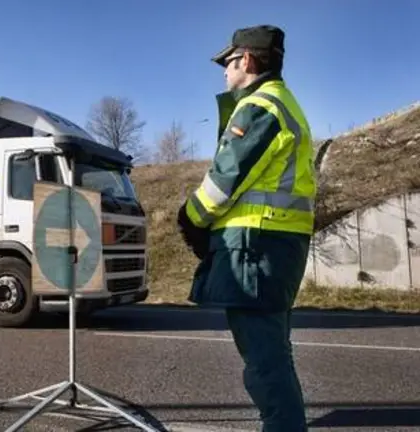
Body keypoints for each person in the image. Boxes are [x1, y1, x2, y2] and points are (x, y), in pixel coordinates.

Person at [177, 25, 316, 431]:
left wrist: (190, 217)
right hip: (274, 245)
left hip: (257, 249)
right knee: (273, 353)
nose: (223, 70)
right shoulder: (282, 103)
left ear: (248, 61)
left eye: (228, 62)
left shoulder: (261, 106)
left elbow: (225, 179)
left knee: (265, 362)